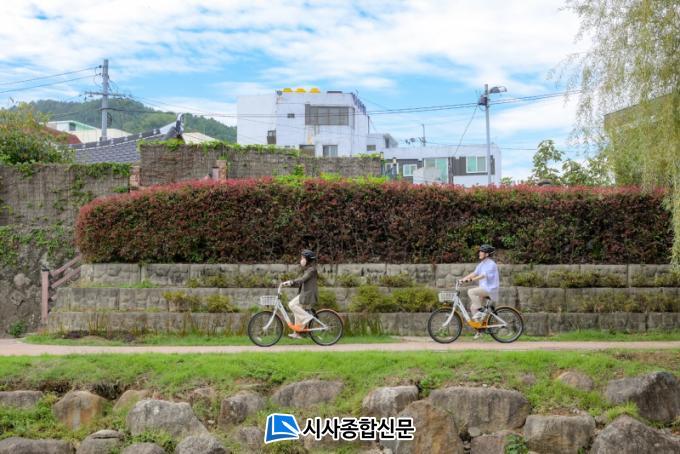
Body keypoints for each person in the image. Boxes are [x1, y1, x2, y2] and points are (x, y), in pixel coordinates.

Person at [461, 244, 499, 339]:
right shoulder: (481, 264)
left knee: (471, 292)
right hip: (484, 288)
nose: (479, 253)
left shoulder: (491, 264)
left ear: (487, 254)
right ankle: (480, 330)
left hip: (490, 289)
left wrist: (471, 280)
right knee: (473, 308)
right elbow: (474, 273)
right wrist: (462, 279)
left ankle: (481, 311)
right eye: (480, 251)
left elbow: (483, 275)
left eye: (482, 252)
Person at [282, 249, 319, 339]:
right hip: (305, 294)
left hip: (308, 295)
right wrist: (291, 283)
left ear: (308, 259)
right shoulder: (308, 269)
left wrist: (291, 282)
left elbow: (302, 279)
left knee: (291, 304)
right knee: (297, 312)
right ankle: (297, 333)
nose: (301, 260)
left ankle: (307, 317)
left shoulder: (311, 270)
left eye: (303, 258)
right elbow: (301, 281)